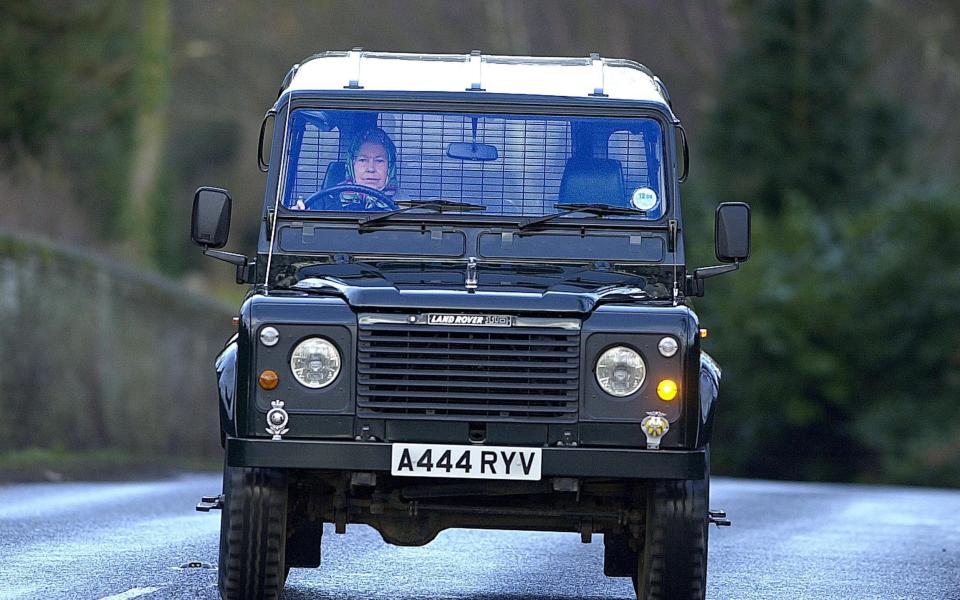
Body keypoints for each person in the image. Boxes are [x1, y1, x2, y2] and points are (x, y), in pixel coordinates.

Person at [295, 127, 400, 210]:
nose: (371, 169)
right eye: (363, 160)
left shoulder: (405, 206)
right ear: (352, 165)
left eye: (379, 161)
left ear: (390, 167)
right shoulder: (324, 203)